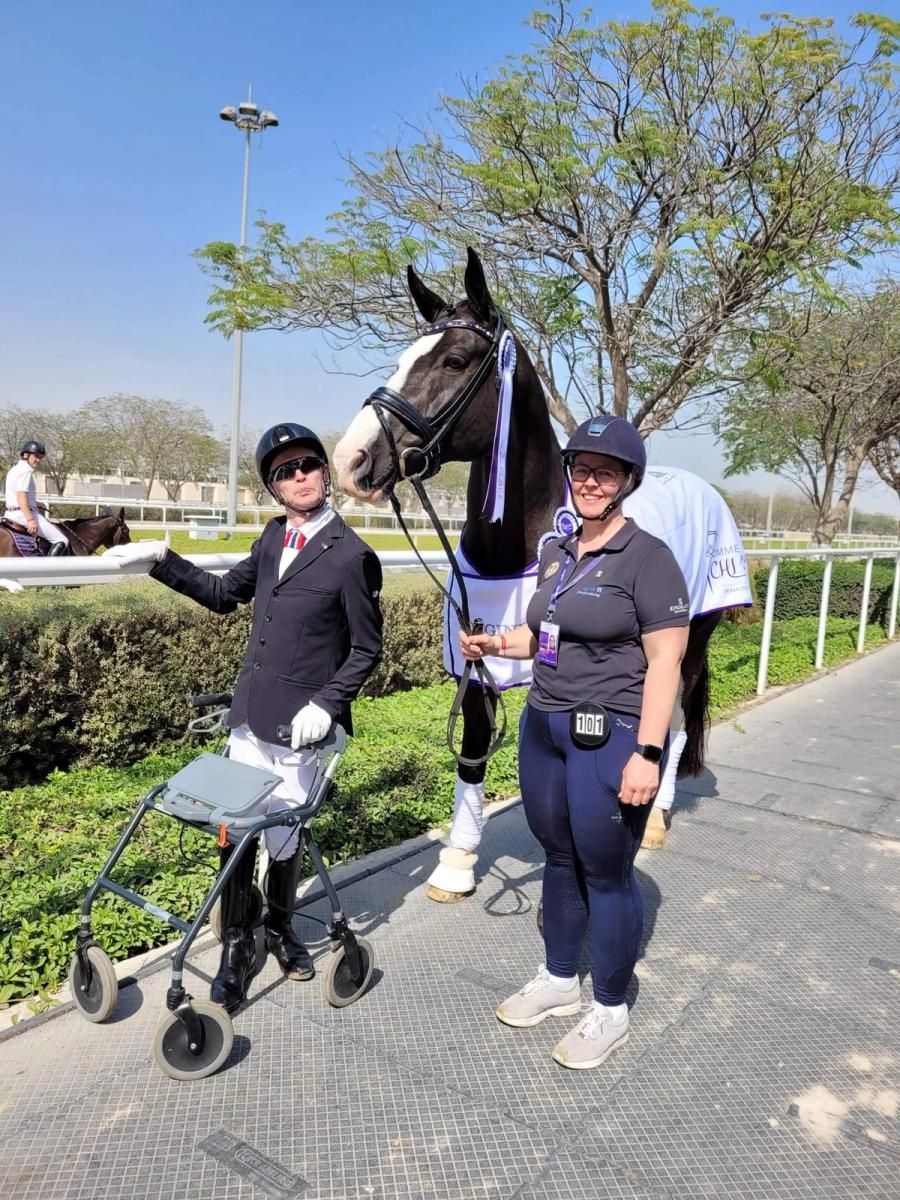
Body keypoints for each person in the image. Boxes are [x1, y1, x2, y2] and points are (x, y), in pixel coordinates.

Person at [103, 423, 383, 1012]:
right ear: (274, 487)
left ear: (324, 472)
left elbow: (366, 649)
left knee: (283, 836)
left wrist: (327, 703)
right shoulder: (273, 535)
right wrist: (162, 560)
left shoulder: (354, 556)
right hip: (250, 716)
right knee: (234, 833)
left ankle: (279, 928)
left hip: (301, 729)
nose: (299, 476)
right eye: (285, 471)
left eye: (307, 464)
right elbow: (224, 594)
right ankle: (237, 945)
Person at [460, 415, 689, 1070]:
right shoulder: (558, 552)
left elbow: (666, 663)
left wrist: (649, 754)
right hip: (544, 727)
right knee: (558, 856)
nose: (590, 482)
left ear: (626, 482)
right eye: (582, 469)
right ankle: (560, 979)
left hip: (609, 734)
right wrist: (495, 643)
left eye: (605, 473)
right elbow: (544, 635)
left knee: (606, 871)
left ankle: (611, 1008)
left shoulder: (648, 559)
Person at [3, 440, 69, 555]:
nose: (38, 460)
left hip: (10, 514)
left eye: (40, 457)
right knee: (62, 540)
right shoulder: (26, 471)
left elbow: (15, 495)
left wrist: (35, 504)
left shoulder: (14, 470)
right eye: (36, 456)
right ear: (25, 455)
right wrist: (30, 520)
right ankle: (47, 567)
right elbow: (21, 496)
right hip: (23, 516)